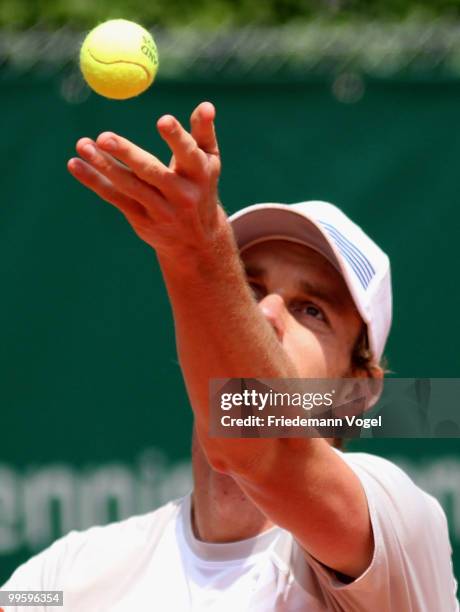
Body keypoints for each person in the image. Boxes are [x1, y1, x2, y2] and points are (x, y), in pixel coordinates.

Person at [2, 101, 458, 611]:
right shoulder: (63, 580)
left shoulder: (399, 530)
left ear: (357, 390)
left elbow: (256, 444)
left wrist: (197, 253)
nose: (263, 314)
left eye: (311, 310)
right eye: (244, 291)